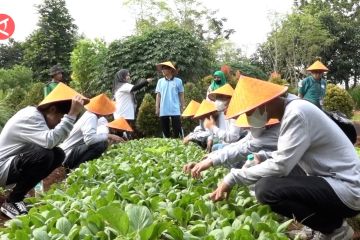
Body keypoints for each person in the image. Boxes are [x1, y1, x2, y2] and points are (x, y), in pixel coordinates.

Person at [207, 75, 360, 239]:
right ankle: (327, 225)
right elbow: (284, 153)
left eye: (250, 111)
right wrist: (262, 157)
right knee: (276, 181)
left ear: (263, 104)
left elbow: (281, 165)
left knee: (266, 189)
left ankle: (336, 230)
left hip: (348, 189)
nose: (249, 117)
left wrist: (232, 177)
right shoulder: (292, 111)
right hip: (335, 183)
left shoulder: (296, 113)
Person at [0, 83, 87, 218]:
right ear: (52, 109)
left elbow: (54, 142)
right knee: (45, 155)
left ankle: (17, 197)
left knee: (57, 154)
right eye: (60, 118)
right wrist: (71, 115)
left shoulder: (37, 117)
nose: (60, 123)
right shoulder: (31, 117)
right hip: (2, 168)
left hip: (9, 166)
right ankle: (13, 200)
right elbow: (49, 141)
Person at [183, 114, 281, 178]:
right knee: (221, 151)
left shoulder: (271, 133)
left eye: (248, 127)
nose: (246, 128)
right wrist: (211, 157)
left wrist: (211, 161)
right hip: (236, 148)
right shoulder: (258, 129)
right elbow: (241, 143)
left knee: (263, 187)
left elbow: (244, 146)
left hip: (282, 171)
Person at [61, 94, 123, 170]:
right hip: (68, 155)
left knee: (101, 142)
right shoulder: (91, 117)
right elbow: (90, 140)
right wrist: (109, 136)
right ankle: (77, 169)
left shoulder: (89, 115)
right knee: (101, 144)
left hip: (68, 153)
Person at [205, 83, 245, 151]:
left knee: (218, 148)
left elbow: (232, 137)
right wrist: (210, 137)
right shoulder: (223, 113)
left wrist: (212, 127)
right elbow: (222, 132)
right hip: (230, 143)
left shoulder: (235, 113)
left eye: (221, 98)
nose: (218, 101)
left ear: (230, 99)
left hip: (240, 144)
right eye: (217, 98)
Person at [155, 61, 185, 138]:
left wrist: (183, 107)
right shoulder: (160, 81)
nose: (162, 71)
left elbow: (181, 95)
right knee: (165, 130)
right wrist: (157, 108)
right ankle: (167, 145)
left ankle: (180, 143)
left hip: (175, 109)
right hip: (163, 109)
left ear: (170, 70)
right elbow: (158, 95)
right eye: (162, 69)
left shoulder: (178, 81)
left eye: (164, 69)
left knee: (177, 129)